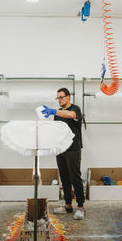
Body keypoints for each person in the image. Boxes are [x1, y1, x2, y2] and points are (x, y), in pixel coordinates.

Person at [41, 88, 85, 220]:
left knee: (75, 178)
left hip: (73, 149)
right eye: (58, 98)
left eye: (61, 97)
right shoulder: (57, 114)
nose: (59, 100)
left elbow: (71, 115)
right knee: (64, 178)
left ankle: (81, 207)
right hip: (60, 149)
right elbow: (56, 130)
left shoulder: (75, 109)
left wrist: (55, 111)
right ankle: (68, 205)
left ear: (68, 97)